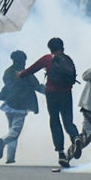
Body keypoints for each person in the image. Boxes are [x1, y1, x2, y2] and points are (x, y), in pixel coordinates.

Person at [20, 37, 79, 167]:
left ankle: (61, 153)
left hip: (52, 94)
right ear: (62, 47)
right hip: (67, 94)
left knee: (55, 121)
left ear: (50, 48)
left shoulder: (47, 59)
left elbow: (31, 69)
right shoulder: (67, 59)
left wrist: (20, 74)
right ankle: (75, 137)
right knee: (68, 121)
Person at [0, 51, 40, 164]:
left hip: (9, 104)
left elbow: (7, 87)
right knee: (15, 132)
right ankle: (2, 141)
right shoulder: (26, 73)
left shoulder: (7, 72)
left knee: (11, 129)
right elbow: (36, 85)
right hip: (21, 105)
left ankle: (10, 158)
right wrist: (49, 92)